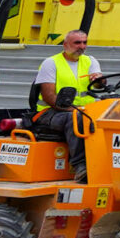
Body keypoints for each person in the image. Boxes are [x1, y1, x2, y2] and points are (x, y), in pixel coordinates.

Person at [29, 30, 100, 176]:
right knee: (76, 119)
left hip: (83, 109)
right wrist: (78, 110)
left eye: (84, 42)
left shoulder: (90, 61)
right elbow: (50, 98)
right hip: (51, 113)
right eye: (77, 43)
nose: (82, 46)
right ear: (65, 44)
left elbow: (99, 87)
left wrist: (99, 81)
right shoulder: (51, 63)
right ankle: (81, 166)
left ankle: (103, 162)